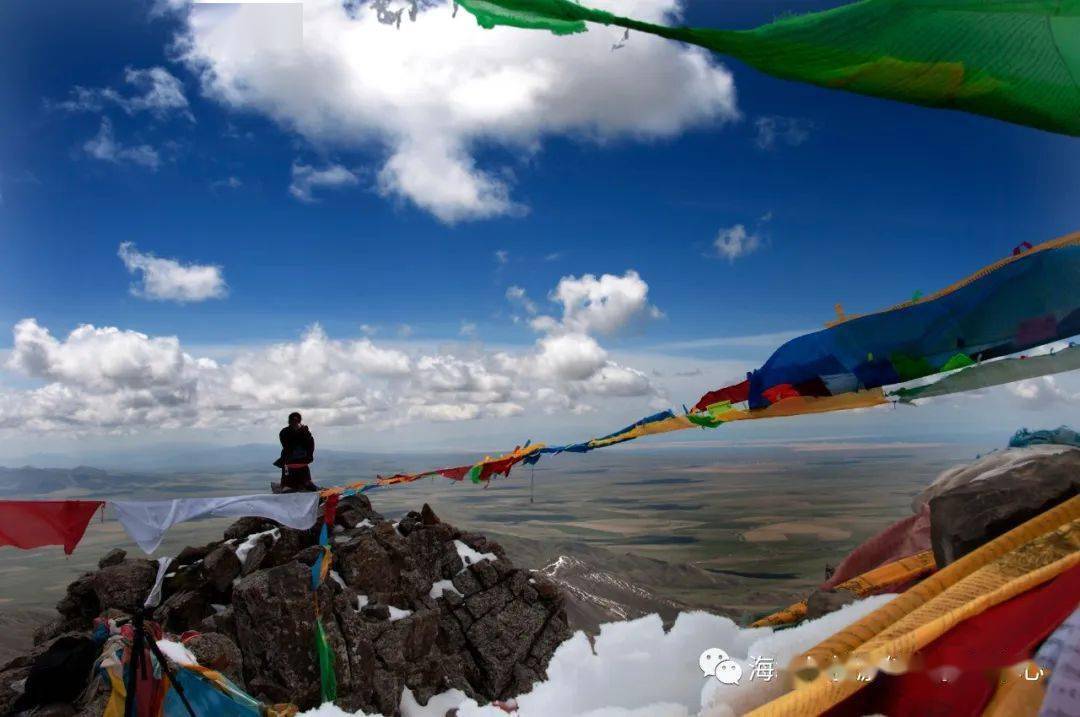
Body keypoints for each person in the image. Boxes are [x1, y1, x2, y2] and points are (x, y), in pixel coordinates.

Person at [274, 412, 317, 492]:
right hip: (303, 466)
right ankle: (306, 483)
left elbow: (286, 447)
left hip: (289, 465)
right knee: (308, 484)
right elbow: (311, 446)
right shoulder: (305, 433)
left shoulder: (284, 432)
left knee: (287, 487)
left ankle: (288, 486)